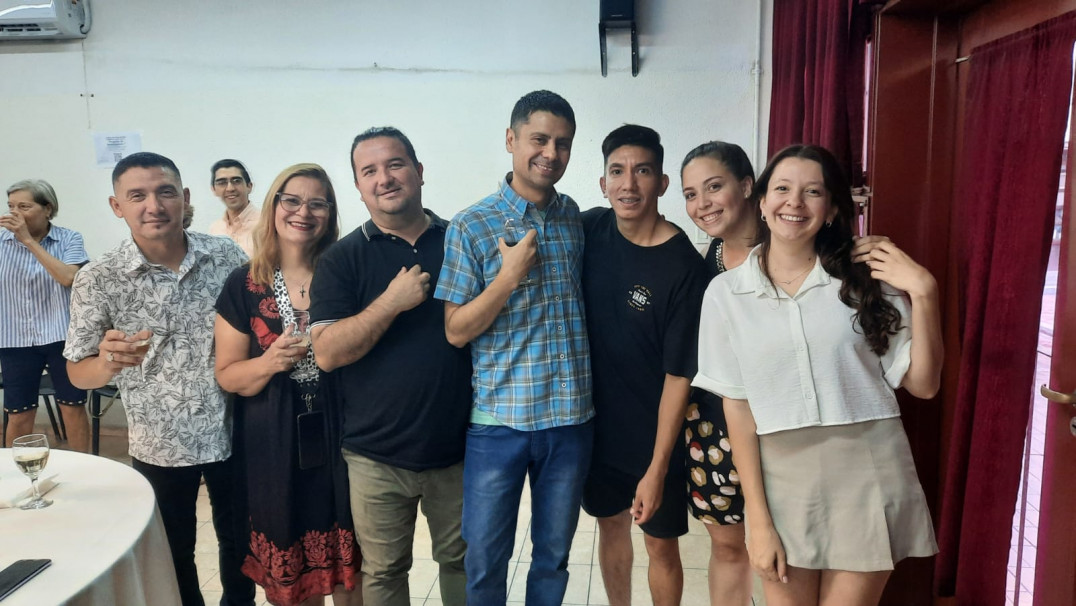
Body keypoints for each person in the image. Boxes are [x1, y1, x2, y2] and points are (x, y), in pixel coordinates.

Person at [692, 144, 943, 606]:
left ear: (829, 210)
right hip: (781, 479)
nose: (795, 203)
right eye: (783, 189)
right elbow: (738, 409)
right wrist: (758, 522)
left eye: (813, 192)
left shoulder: (867, 280)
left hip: (869, 470)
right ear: (762, 201)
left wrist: (924, 293)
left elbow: (924, 384)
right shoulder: (724, 294)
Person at [65, 152, 256, 606]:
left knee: (241, 542)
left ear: (184, 198)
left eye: (165, 192)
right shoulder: (99, 278)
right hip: (159, 440)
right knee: (174, 551)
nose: (154, 205)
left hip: (234, 429)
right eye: (138, 196)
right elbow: (78, 370)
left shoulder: (226, 256)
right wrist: (108, 362)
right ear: (117, 206)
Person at [435, 90, 593, 606]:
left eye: (562, 143)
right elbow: (456, 330)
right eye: (539, 139)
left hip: (569, 421)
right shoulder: (471, 225)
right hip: (498, 423)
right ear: (511, 140)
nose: (550, 152)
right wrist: (507, 278)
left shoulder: (574, 219)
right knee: (484, 560)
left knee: (553, 558)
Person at [310, 127, 471, 606]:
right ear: (358, 188)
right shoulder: (341, 259)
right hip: (375, 456)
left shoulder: (459, 242)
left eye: (395, 164)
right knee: (384, 572)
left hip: (459, 449)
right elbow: (327, 353)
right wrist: (391, 302)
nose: (385, 178)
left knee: (464, 563)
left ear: (419, 172)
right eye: (370, 171)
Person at [215, 163, 360, 606]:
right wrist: (270, 362)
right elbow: (228, 374)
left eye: (318, 203)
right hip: (273, 445)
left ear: (331, 214)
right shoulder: (243, 283)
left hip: (345, 437)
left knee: (353, 573)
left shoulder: (347, 274)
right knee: (293, 580)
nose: (304, 212)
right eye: (292, 200)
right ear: (274, 205)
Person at [580, 125, 707, 606]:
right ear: (603, 183)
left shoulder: (684, 270)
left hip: (655, 438)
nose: (628, 183)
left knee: (660, 545)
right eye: (617, 171)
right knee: (610, 529)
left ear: (662, 183)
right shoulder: (591, 230)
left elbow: (680, 377)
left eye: (642, 171)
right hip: (597, 431)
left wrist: (657, 467)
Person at [678, 141, 758, 605]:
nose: (702, 204)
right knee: (729, 547)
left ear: (745, 186)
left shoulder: (794, 254)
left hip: (778, 427)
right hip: (710, 427)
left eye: (714, 187)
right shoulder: (699, 266)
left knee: (787, 549)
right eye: (691, 194)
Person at [1, 179, 90, 452]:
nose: (15, 213)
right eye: (11, 206)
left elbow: (67, 277)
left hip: (61, 335)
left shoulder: (69, 238)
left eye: (24, 206)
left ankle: (83, 472)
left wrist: (27, 241)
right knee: (19, 413)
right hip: (14, 338)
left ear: (48, 209)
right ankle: (18, 478)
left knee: (72, 407)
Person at [209, 159, 260, 256]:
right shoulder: (215, 229)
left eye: (236, 181)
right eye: (222, 182)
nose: (230, 188)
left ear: (249, 186)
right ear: (214, 190)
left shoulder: (267, 224)